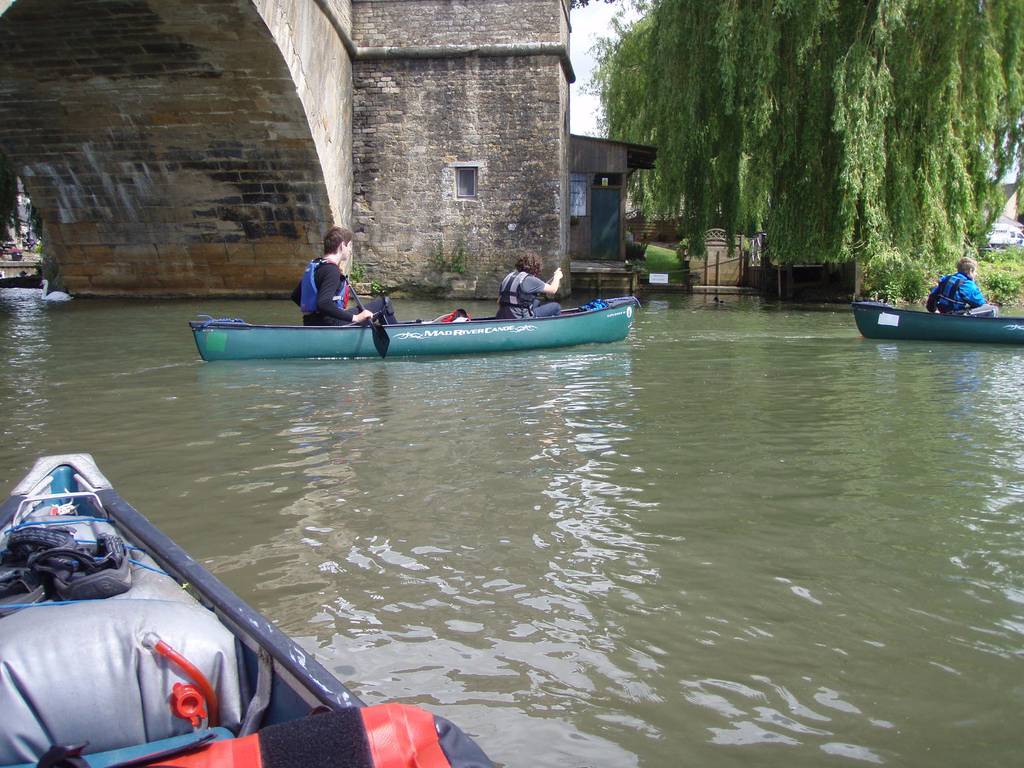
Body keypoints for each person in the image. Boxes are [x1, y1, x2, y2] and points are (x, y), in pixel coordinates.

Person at [291, 226, 397, 326]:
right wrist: (355, 318)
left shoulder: (317, 266)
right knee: (383, 303)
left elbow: (296, 296)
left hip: (311, 323)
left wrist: (317, 314)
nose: (350, 250)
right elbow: (323, 303)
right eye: (349, 246)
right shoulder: (331, 270)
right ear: (342, 246)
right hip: (329, 324)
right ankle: (397, 336)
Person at [926, 256, 999, 317]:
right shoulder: (967, 284)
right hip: (955, 316)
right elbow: (980, 303)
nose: (976, 274)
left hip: (943, 312)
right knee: (993, 309)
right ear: (970, 271)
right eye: (975, 272)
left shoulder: (946, 278)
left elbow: (932, 297)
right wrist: (974, 284)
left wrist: (933, 311)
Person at [496, 255, 563, 319]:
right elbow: (553, 289)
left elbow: (499, 301)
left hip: (501, 315)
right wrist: (557, 276)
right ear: (536, 268)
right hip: (520, 317)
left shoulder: (509, 276)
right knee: (556, 307)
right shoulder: (530, 279)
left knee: (536, 301)